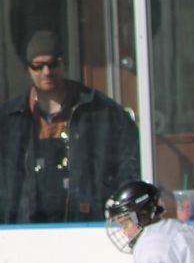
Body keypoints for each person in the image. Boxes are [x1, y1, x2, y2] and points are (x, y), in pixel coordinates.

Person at [0, 30, 139, 223]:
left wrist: (122, 211)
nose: (46, 72)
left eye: (53, 64)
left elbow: (128, 165)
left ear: (64, 64)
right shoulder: (9, 120)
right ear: (27, 69)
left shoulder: (101, 112)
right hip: (26, 230)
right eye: (38, 67)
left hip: (86, 225)